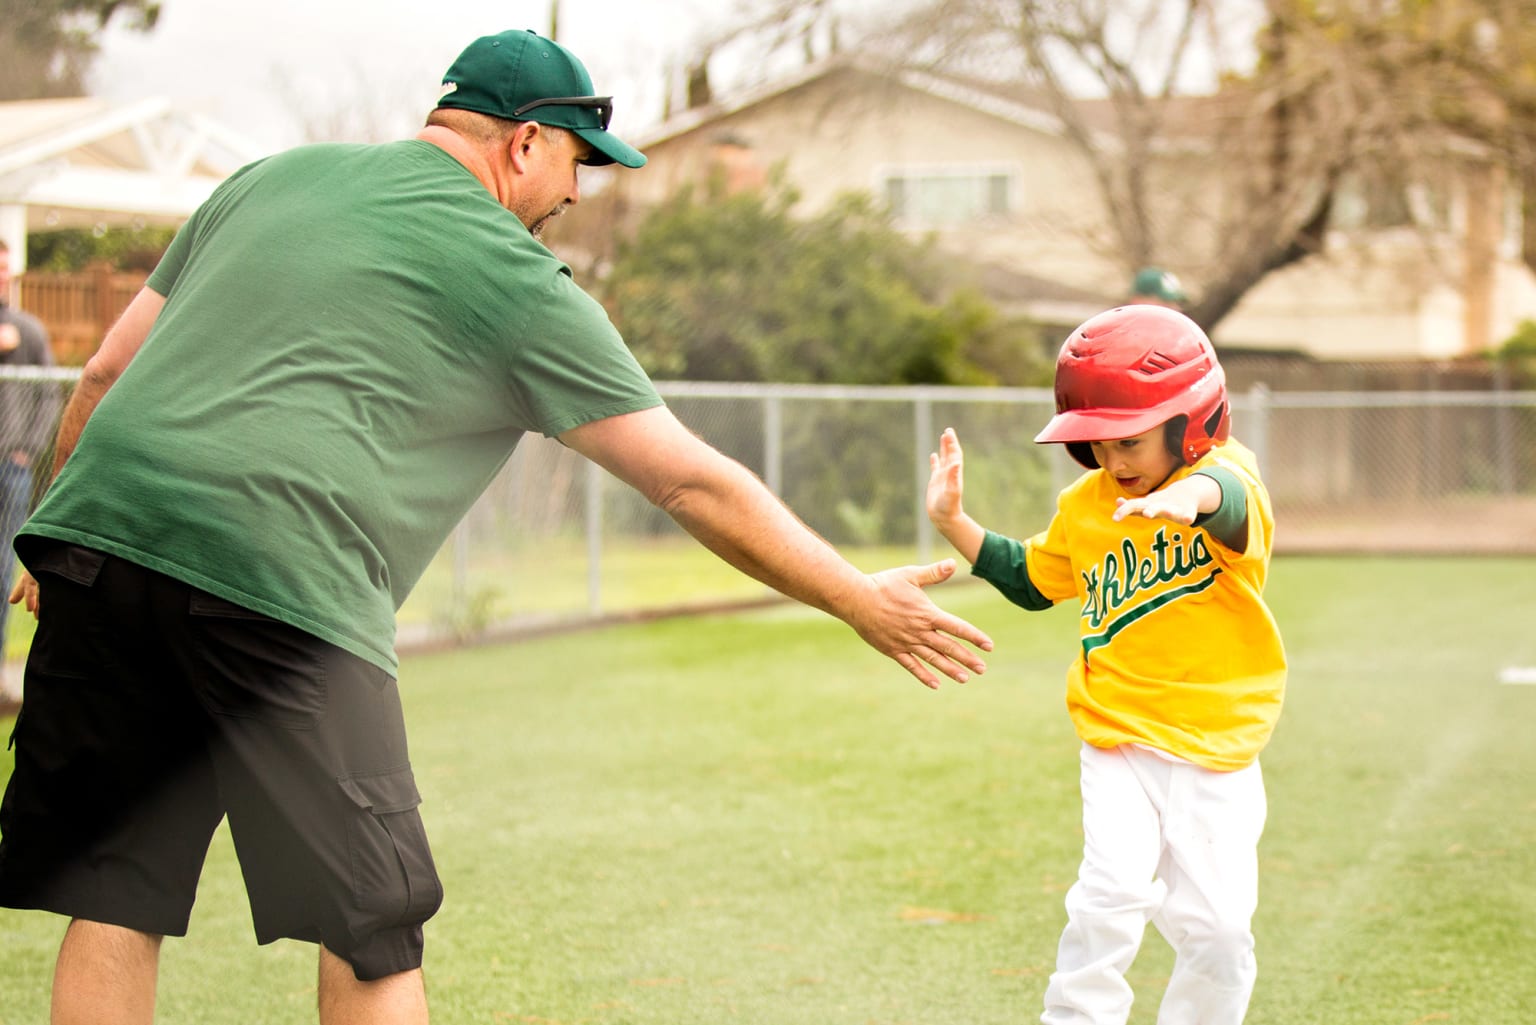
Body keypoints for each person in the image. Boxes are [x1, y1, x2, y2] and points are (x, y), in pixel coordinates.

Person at [0, 29, 993, 1025]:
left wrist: (60, 538)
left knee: (115, 889)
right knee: (372, 928)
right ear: (525, 144)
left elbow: (104, 371)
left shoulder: (267, 180)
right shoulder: (513, 277)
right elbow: (691, 480)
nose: (577, 193)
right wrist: (859, 596)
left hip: (98, 547)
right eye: (576, 162)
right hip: (284, 581)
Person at [925, 304, 1286, 1025]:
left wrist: (1185, 496)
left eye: (1130, 441)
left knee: (1217, 929)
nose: (1114, 462)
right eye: (1096, 444)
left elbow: (1231, 501)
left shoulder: (1227, 476)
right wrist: (954, 524)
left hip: (1219, 742)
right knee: (1108, 894)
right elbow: (1033, 579)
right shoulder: (1088, 504)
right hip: (1116, 732)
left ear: (1192, 422)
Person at [0, 240, 59, 697]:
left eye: (5, 271)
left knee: (6, 565)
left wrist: (30, 448)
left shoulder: (30, 329)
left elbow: (51, 392)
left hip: (12, 465)